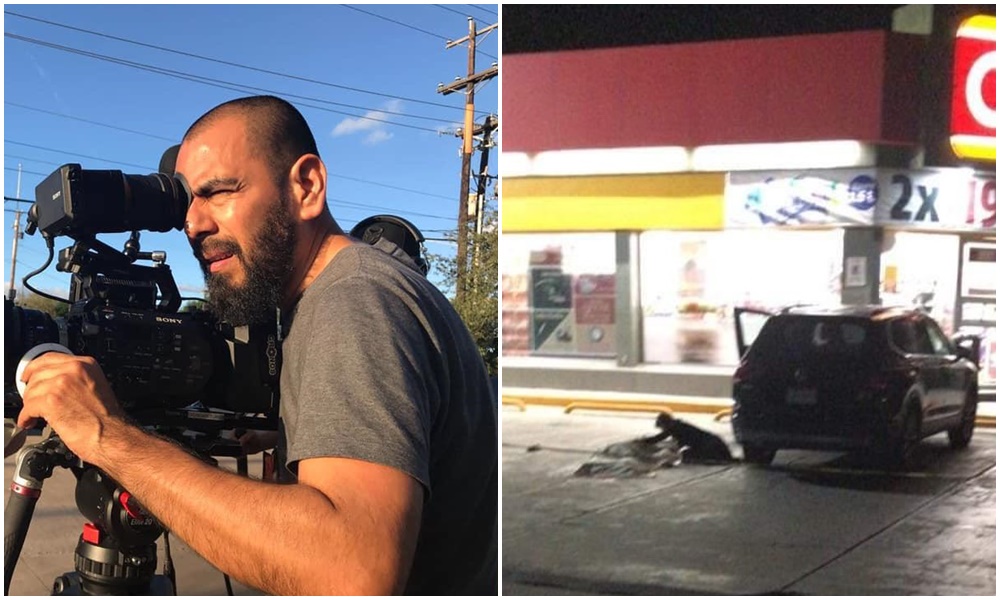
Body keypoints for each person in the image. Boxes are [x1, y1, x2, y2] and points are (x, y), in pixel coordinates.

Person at [16, 95, 498, 595]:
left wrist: (107, 435)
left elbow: (351, 575)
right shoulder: (365, 284)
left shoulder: (354, 298)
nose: (194, 223)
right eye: (187, 203)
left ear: (306, 186)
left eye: (220, 191)